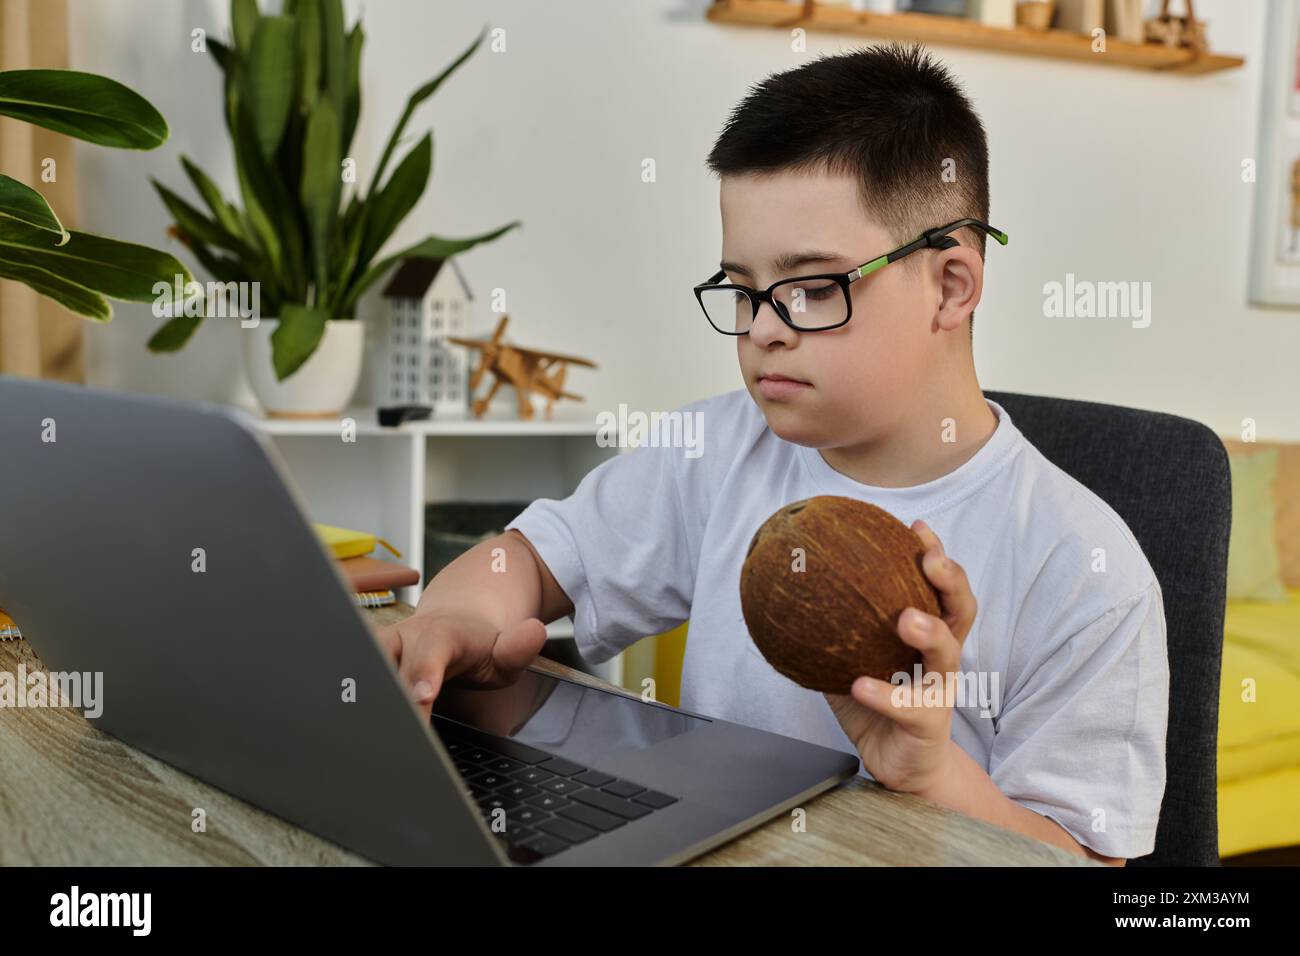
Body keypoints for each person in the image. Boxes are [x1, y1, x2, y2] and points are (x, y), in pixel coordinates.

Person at [376, 44, 1168, 867]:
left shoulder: (1085, 568)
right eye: (743, 290)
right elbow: (536, 561)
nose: (762, 330)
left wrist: (932, 774)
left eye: (813, 288)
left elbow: (1087, 864)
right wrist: (456, 618)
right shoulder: (721, 449)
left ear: (951, 286)